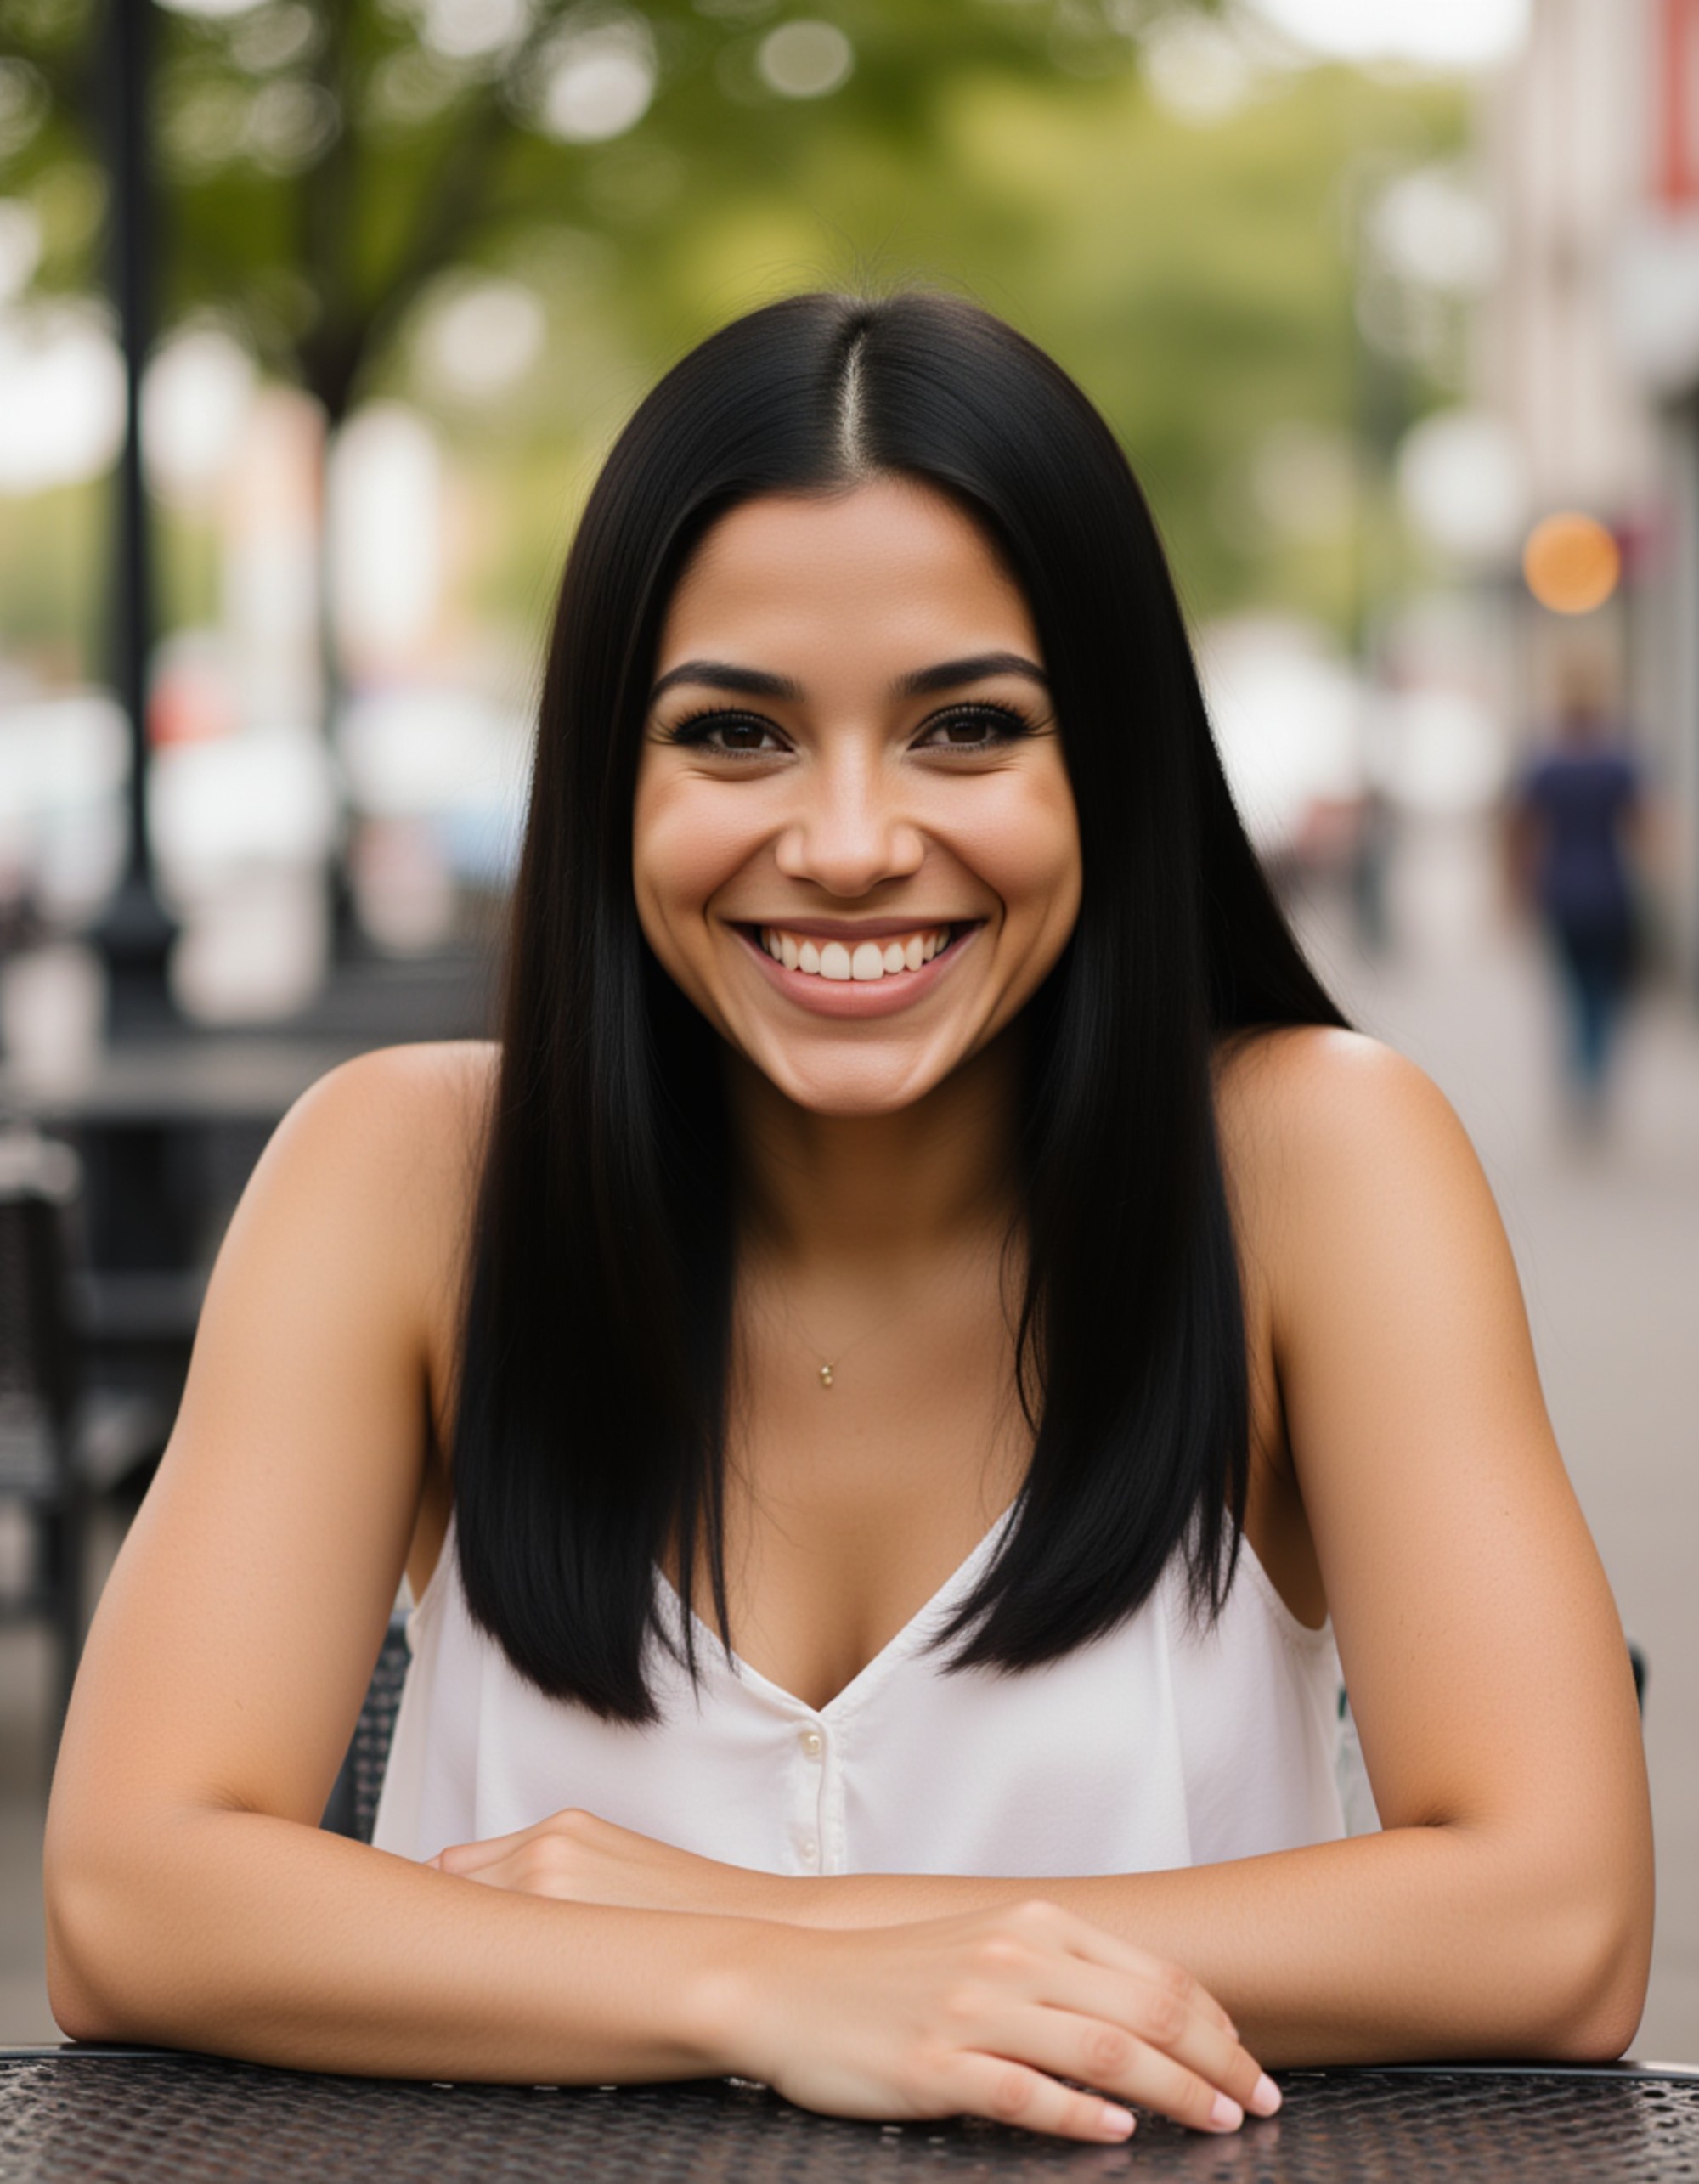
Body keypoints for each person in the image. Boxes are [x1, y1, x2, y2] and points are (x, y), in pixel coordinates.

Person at [43, 294, 1651, 2144]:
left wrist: (726, 1910)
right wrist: (769, 1982)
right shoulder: (403, 1176)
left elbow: (1555, 1918)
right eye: (735, 734)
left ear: (1108, 766)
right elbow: (128, 1897)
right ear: (604, 777)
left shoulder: (1309, 1158)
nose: (850, 838)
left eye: (968, 725)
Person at [1509, 668, 1647, 1131]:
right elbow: (1645, 829)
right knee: (1604, 991)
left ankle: (1579, 1074)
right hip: (1611, 893)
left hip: (1563, 893)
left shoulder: (1546, 764)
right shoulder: (1618, 763)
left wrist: (1516, 891)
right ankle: (1594, 1075)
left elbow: (1524, 833)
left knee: (1572, 992)